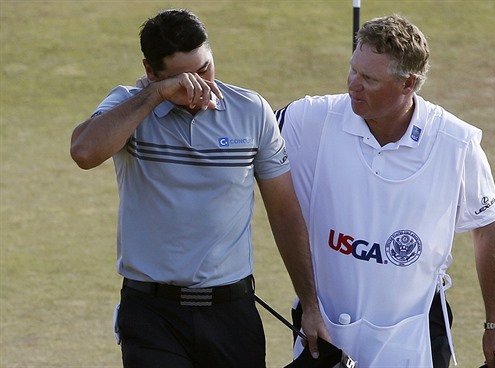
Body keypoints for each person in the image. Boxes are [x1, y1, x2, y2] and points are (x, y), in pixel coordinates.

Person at [70, 9, 328, 368]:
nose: (198, 85)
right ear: (151, 71)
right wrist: (155, 96)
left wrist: (311, 305)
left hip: (231, 312)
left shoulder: (252, 111)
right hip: (152, 314)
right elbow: (84, 152)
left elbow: (284, 211)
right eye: (180, 78)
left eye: (204, 68)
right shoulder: (128, 105)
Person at [276, 14, 495, 368]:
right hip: (325, 331)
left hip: (414, 337)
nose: (353, 85)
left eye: (369, 78)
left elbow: (487, 228)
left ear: (409, 83)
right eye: (353, 69)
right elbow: (242, 139)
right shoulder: (307, 119)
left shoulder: (457, 143)